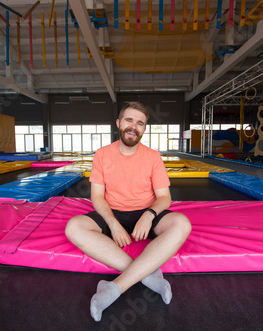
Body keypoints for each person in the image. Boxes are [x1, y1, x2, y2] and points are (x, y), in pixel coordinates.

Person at [65, 101, 191, 322]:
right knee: (74, 227)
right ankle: (149, 276)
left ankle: (114, 288)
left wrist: (149, 215)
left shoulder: (152, 157)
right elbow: (97, 197)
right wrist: (113, 223)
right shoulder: (102, 155)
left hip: (147, 213)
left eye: (140, 123)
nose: (134, 126)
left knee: (182, 224)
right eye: (129, 120)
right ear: (118, 123)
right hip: (113, 211)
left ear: (144, 129)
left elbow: (164, 198)